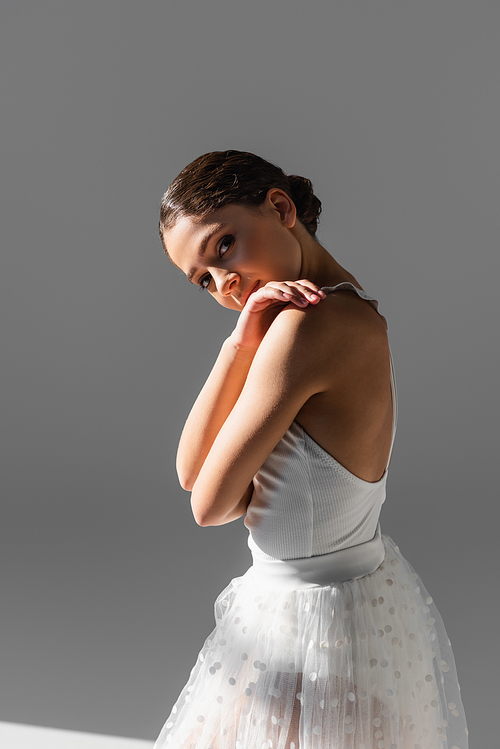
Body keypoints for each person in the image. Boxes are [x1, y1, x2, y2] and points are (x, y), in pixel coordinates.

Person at [155, 150, 468, 749]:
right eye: (204, 281)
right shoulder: (349, 315)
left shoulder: (307, 328)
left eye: (224, 247)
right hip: (355, 596)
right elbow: (189, 471)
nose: (225, 285)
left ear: (279, 207)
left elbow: (209, 504)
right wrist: (241, 339)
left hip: (305, 613)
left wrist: (254, 340)